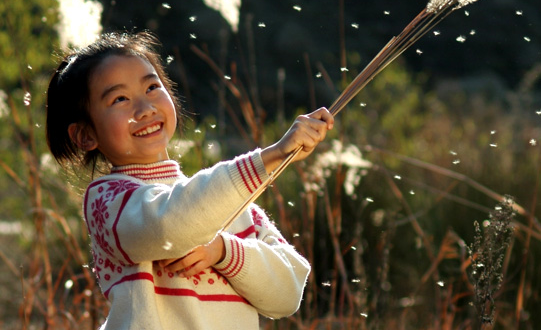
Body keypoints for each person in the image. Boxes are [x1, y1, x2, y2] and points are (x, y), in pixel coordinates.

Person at [46, 31, 333, 330]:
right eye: (120, 99)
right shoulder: (107, 201)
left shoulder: (229, 201)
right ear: (85, 135)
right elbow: (170, 225)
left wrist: (224, 251)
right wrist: (272, 155)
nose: (145, 109)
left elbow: (287, 295)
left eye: (152, 87)